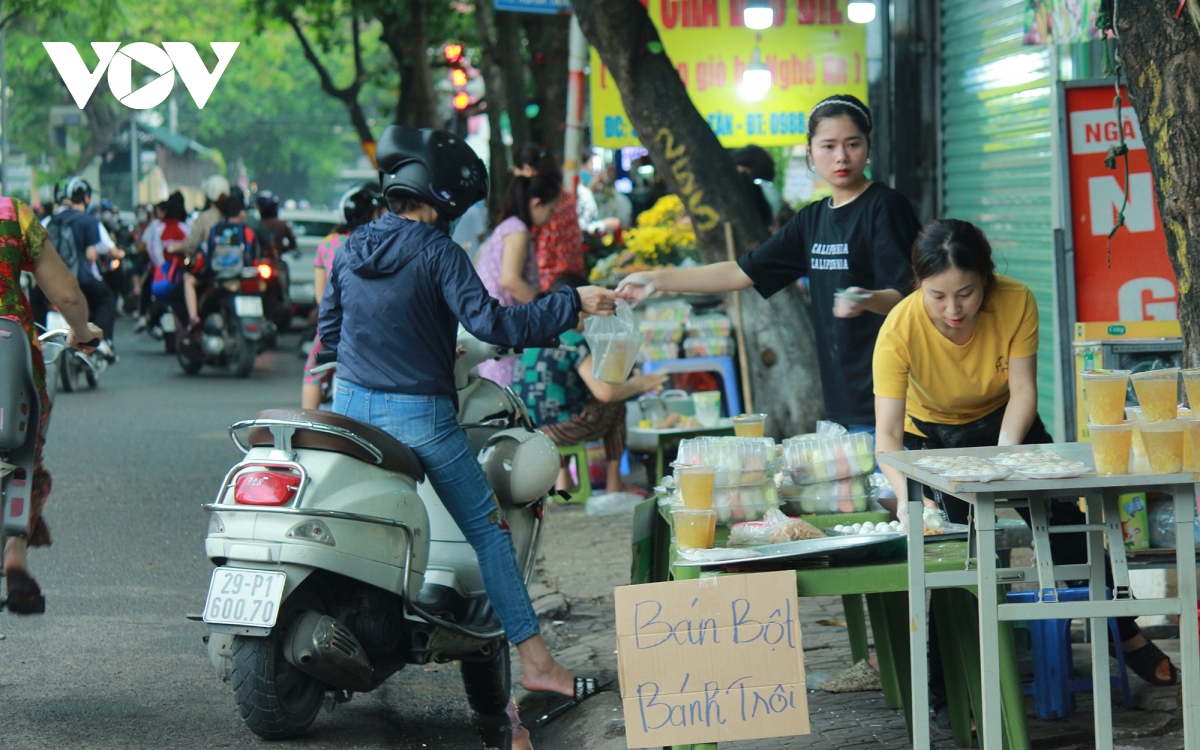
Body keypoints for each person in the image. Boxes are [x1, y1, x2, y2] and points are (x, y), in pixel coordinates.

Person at [318, 125, 616, 717]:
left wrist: (412, 346)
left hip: (348, 411)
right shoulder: (438, 251)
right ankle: (538, 664)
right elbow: (494, 325)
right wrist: (572, 301)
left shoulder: (352, 247)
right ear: (444, 200)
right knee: (487, 532)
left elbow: (331, 334)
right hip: (419, 416)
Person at [871, 218, 1176, 726]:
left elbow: (1024, 390)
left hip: (1007, 422)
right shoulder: (898, 329)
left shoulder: (1015, 300)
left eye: (966, 293)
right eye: (937, 296)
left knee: (1069, 524)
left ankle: (1123, 631)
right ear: (918, 284)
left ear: (986, 279)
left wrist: (1008, 458)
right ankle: (949, 693)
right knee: (953, 557)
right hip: (932, 438)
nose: (953, 309)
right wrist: (906, 497)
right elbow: (886, 435)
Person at [618, 95, 922, 433]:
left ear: (868, 147)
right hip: (842, 397)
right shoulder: (812, 219)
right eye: (828, 146)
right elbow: (741, 271)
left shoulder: (885, 207)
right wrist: (656, 280)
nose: (841, 156)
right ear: (810, 153)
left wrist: (865, 299)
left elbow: (909, 294)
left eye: (853, 144)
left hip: (895, 395)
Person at [0, 195, 103, 613]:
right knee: (22, 453)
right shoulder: (12, 215)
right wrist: (83, 330)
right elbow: (67, 296)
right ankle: (14, 553)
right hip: (11, 362)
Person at [511, 276, 669, 494]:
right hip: (561, 430)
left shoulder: (536, 337)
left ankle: (564, 481)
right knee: (615, 404)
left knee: (562, 403)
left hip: (531, 429)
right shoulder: (573, 341)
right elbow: (606, 393)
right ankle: (615, 483)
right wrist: (638, 384)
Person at [301, 184, 385, 409]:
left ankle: (308, 423)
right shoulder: (380, 242)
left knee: (313, 371)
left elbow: (321, 299)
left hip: (335, 330)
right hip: (374, 327)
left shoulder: (328, 243)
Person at [474, 174, 562, 386]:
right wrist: (546, 312)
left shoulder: (507, 227)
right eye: (550, 210)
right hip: (503, 329)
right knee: (506, 391)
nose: (550, 217)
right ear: (536, 203)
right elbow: (510, 280)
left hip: (494, 326)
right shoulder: (517, 231)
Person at [42, 177, 118, 361]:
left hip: (49, 282)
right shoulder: (89, 221)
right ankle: (102, 342)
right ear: (86, 198)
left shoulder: (50, 220)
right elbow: (91, 256)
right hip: (81, 280)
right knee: (106, 297)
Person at [180, 190, 257, 341]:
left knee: (189, 280)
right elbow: (253, 255)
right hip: (241, 274)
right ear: (241, 213)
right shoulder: (247, 231)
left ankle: (194, 318)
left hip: (216, 274)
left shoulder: (216, 229)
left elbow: (208, 254)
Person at [513, 144, 585, 291]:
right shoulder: (566, 196)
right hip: (573, 279)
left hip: (547, 283)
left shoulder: (539, 202)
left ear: (527, 170)